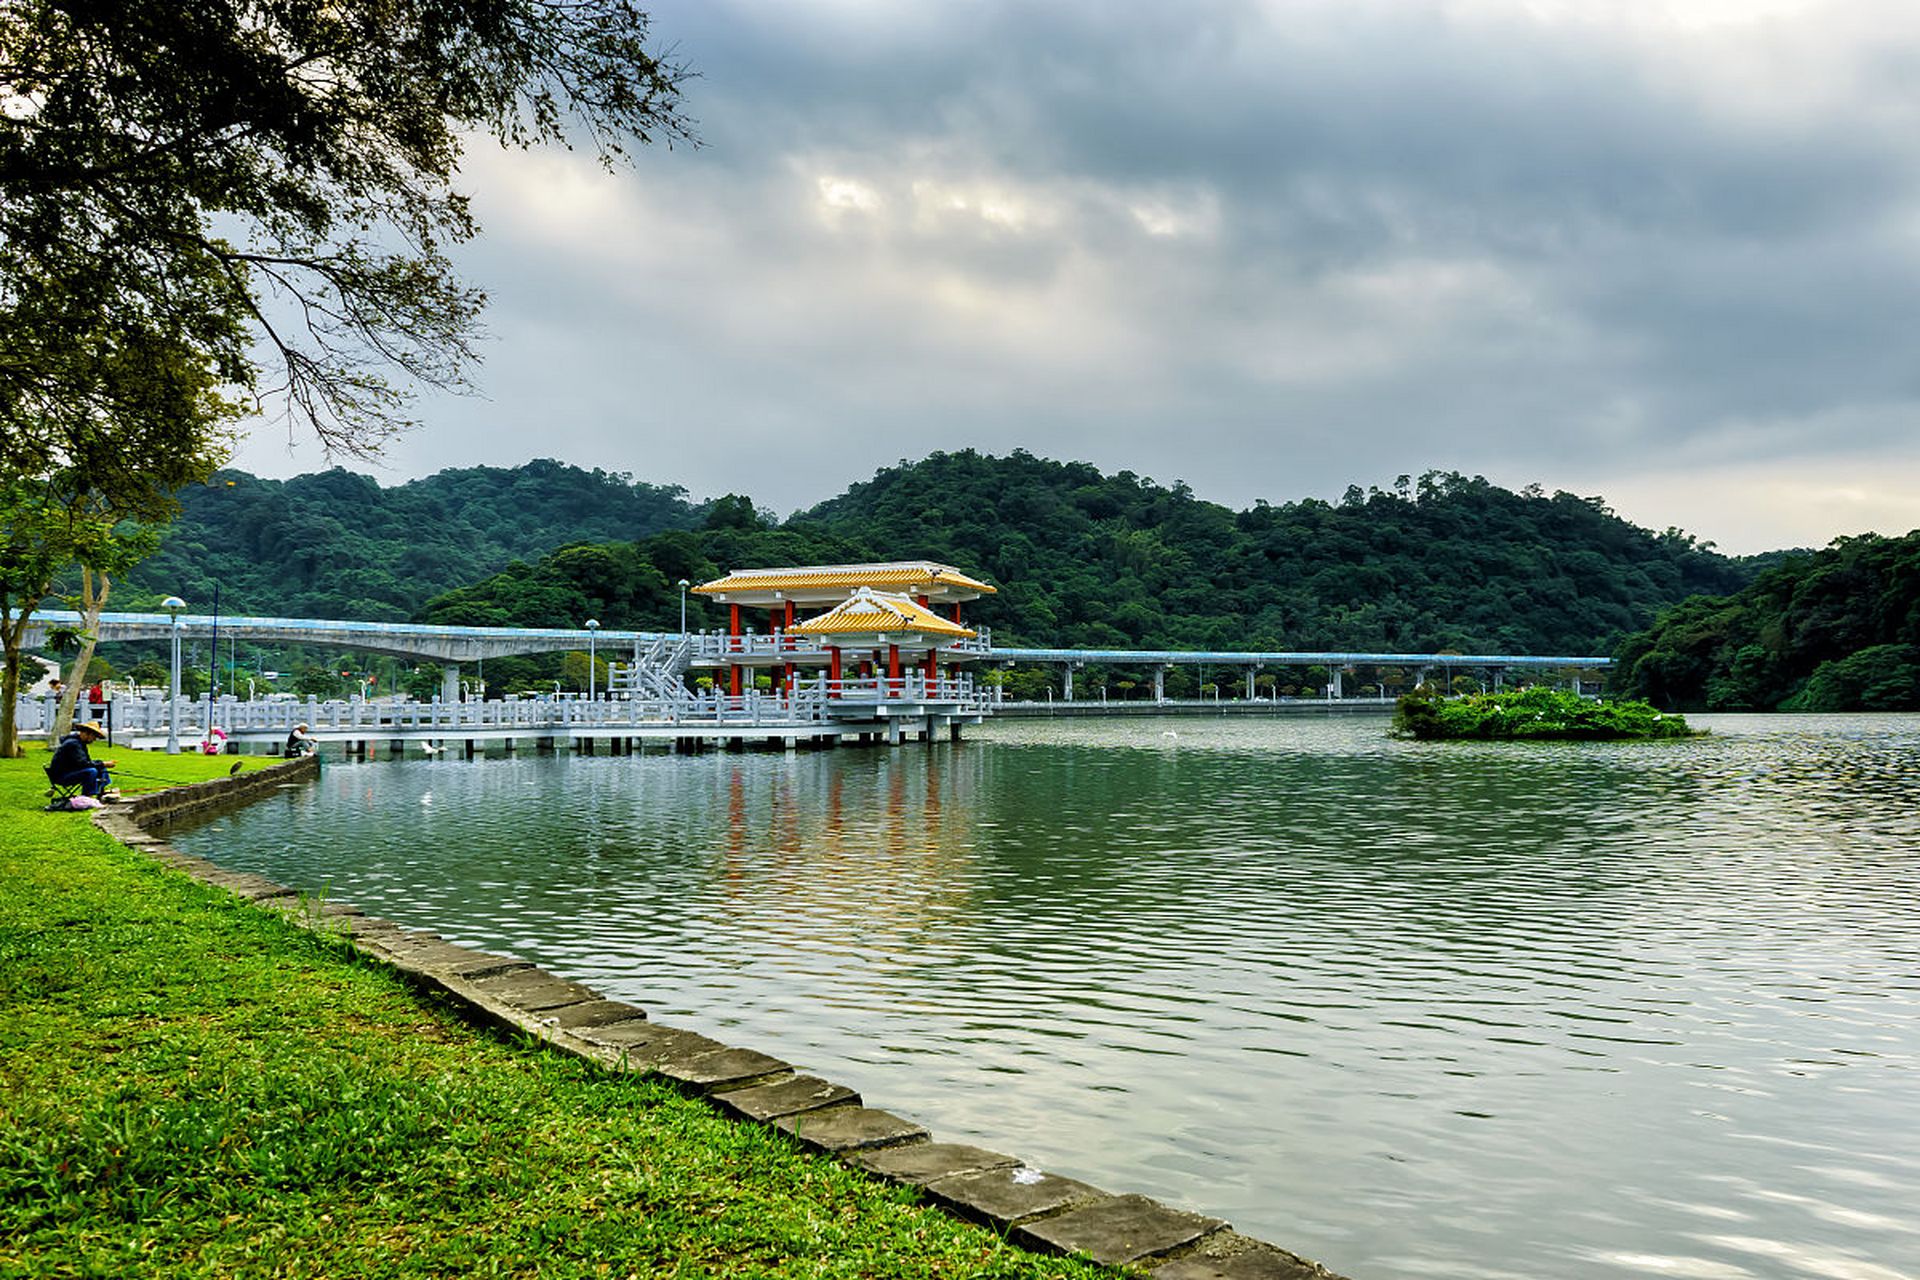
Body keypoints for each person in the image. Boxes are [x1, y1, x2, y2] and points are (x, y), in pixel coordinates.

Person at [49, 721, 116, 797]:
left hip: (71, 771)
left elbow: (86, 762)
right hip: (62, 776)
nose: (94, 740)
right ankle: (87, 796)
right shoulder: (73, 744)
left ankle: (100, 791)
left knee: (101, 768)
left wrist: (102, 764)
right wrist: (103, 763)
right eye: (94, 737)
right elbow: (83, 764)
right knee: (91, 771)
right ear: (87, 733)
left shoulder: (80, 743)